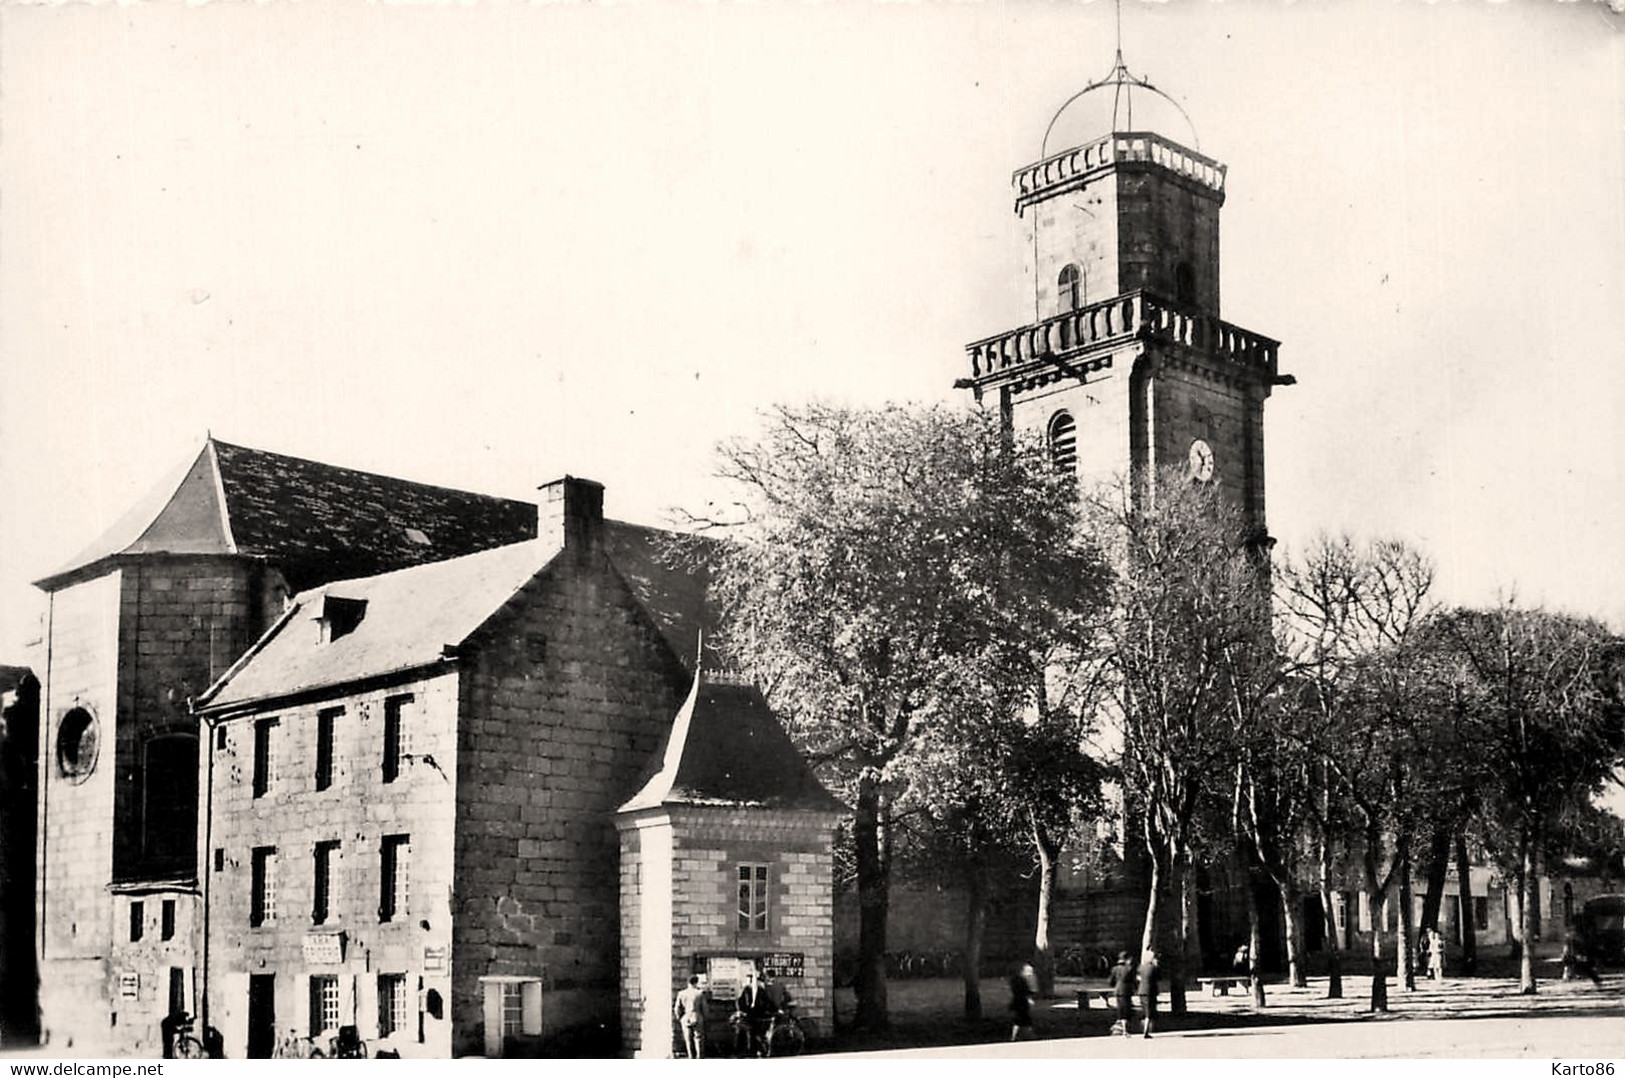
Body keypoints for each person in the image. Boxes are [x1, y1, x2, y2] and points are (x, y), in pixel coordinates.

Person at [673, 975, 708, 1059]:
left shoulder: (681, 993)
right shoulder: (700, 993)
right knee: (698, 1038)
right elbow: (705, 1007)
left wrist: (680, 1017)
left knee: (688, 1039)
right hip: (697, 1016)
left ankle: (691, 1056)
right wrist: (705, 1017)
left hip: (686, 1017)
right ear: (696, 983)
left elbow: (677, 1008)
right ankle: (699, 1056)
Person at [1106, 951, 1136, 1037]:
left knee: (1120, 1009)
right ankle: (1125, 1029)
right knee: (1126, 1009)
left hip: (1118, 990)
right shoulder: (1129, 968)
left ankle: (1120, 1026)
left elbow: (1111, 981)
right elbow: (1133, 981)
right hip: (1126, 990)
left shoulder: (1114, 969)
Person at [1136, 949, 1162, 1039]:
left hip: (1141, 990)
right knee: (1149, 1012)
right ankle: (1146, 1031)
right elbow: (1159, 978)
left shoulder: (1141, 967)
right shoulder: (1154, 968)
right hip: (1150, 991)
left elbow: (1138, 977)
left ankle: (1144, 1028)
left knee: (1144, 1010)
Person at [1008, 963, 1036, 1041]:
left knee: (1019, 1020)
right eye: (1029, 971)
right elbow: (1027, 991)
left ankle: (1016, 1036)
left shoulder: (1015, 979)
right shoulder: (1022, 981)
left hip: (1017, 1002)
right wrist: (1029, 997)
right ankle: (1029, 1036)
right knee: (1024, 1020)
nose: (1030, 973)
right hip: (1022, 1003)